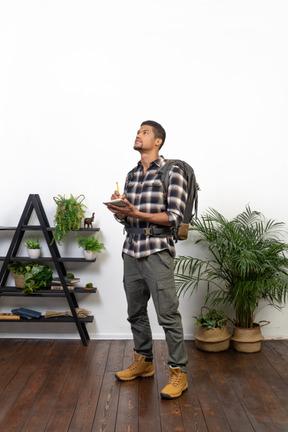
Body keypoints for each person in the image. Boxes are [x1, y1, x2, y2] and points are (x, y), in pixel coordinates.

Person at [107, 120, 188, 399]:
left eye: (144, 132)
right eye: (137, 132)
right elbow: (129, 216)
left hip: (157, 252)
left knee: (167, 315)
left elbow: (174, 217)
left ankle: (179, 373)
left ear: (158, 141)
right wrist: (120, 210)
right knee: (135, 312)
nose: (138, 135)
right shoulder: (131, 174)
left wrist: (137, 214)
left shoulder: (172, 172)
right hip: (131, 250)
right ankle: (144, 362)